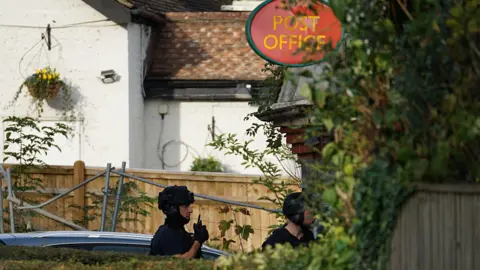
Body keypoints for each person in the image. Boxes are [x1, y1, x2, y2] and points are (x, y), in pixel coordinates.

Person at [149, 185, 209, 259]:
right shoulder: (166, 233)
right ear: (172, 209)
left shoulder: (179, 231)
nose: (190, 210)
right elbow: (179, 261)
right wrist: (198, 242)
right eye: (185, 206)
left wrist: (195, 239)